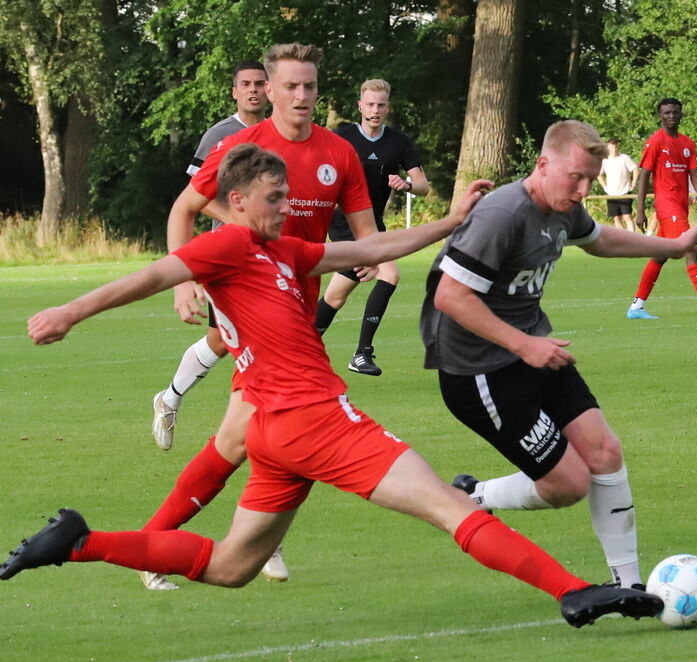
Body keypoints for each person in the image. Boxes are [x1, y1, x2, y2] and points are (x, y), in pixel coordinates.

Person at [6, 145, 663, 629]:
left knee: (232, 566)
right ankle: (572, 591)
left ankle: (80, 542)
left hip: (273, 431)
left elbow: (369, 251)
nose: (287, 208)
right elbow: (151, 276)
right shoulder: (226, 246)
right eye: (274, 199)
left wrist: (450, 222)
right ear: (238, 202)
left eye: (287, 197)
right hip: (315, 418)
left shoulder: (282, 251)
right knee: (449, 506)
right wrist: (69, 312)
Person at [420, 120, 697, 589]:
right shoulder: (503, 214)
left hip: (532, 350)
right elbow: (450, 296)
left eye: (590, 180)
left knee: (605, 452)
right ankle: (473, 498)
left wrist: (675, 244)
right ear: (543, 164)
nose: (582, 191)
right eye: (575, 177)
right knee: (568, 485)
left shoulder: (563, 208)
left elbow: (600, 239)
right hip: (477, 370)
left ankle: (629, 587)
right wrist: (525, 344)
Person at [142, 43, 381, 591]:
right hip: (250, 302)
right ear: (268, 90)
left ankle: (168, 544)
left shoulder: (339, 153)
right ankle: (191, 543)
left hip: (298, 311)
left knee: (241, 438)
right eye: (291, 86)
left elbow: (366, 235)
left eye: (310, 86)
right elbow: (185, 206)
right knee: (272, 426)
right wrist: (184, 279)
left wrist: (373, 259)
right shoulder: (241, 148)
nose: (302, 96)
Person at [153, 59, 269, 453]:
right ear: (234, 91)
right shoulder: (220, 135)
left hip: (273, 255)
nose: (253, 90)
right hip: (230, 255)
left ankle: (171, 399)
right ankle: (247, 427)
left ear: (270, 90)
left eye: (259, 83)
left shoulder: (281, 133)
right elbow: (195, 198)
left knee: (222, 341)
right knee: (234, 340)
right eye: (245, 84)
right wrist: (239, 220)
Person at [312, 79, 430, 377]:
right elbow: (317, 173)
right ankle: (362, 353)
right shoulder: (342, 137)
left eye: (380, 105)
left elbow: (423, 186)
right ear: (360, 106)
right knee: (389, 274)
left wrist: (407, 184)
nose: (375, 110)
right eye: (370, 104)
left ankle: (300, 346)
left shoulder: (398, 142)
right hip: (343, 220)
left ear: (387, 108)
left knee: (336, 296)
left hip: (372, 224)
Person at [626, 98, 697, 320]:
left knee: (659, 256)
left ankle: (636, 307)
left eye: (675, 112)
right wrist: (640, 210)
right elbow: (644, 175)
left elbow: (693, 173)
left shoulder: (687, 143)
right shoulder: (655, 141)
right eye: (666, 113)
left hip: (680, 206)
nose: (671, 116)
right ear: (660, 116)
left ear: (681, 114)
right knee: (690, 249)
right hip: (667, 206)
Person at [598, 138, 639, 232]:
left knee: (627, 217)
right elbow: (599, 174)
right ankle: (621, 238)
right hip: (611, 194)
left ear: (618, 147)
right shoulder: (605, 160)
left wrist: (633, 184)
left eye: (615, 147)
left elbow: (635, 169)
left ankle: (632, 238)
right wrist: (604, 187)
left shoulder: (624, 158)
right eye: (612, 147)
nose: (614, 149)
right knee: (616, 218)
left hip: (624, 192)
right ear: (608, 148)